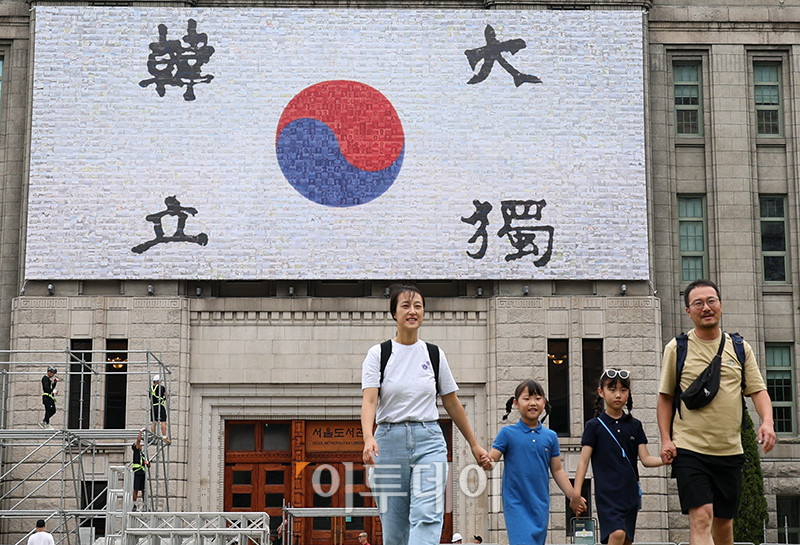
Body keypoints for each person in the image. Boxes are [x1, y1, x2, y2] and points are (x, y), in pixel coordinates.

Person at [361, 284, 491, 545]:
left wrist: (474, 444)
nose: (413, 311)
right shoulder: (379, 354)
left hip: (428, 439)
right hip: (388, 441)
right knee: (395, 527)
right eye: (406, 306)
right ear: (394, 314)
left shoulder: (433, 354)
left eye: (418, 306)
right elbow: (370, 400)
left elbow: (452, 402)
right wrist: (367, 437)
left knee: (427, 514)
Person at [657, 279, 777, 545]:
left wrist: (767, 422)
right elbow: (665, 398)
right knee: (701, 518)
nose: (706, 307)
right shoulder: (677, 348)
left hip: (730, 450)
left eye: (711, 301)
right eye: (698, 303)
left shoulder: (739, 348)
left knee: (724, 526)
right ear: (688, 312)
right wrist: (666, 438)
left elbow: (758, 391)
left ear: (720, 305)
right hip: (689, 449)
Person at [486, 379, 586, 545]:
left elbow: (558, 470)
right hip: (516, 503)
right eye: (527, 399)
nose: (533, 403)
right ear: (516, 403)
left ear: (544, 403)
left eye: (538, 398)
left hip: (540, 504)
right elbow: (492, 459)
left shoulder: (550, 436)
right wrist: (485, 460)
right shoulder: (507, 433)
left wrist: (573, 496)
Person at [571, 369, 664, 545]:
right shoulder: (594, 426)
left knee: (626, 540)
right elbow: (583, 462)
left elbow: (645, 459)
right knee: (618, 533)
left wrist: (665, 460)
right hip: (607, 496)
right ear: (601, 392)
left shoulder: (635, 425)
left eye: (623, 390)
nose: (618, 395)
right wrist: (576, 494)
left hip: (630, 496)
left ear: (628, 393)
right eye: (612, 389)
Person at [132, 428, 150, 511]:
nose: (141, 446)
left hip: (142, 473)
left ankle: (144, 505)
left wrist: (147, 463)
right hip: (137, 472)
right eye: (140, 445)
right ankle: (134, 505)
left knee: (143, 490)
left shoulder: (142, 455)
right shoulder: (136, 451)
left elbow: (148, 465)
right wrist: (141, 432)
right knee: (136, 489)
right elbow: (138, 441)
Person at [149, 374, 171, 443]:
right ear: (158, 381)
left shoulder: (151, 388)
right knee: (163, 421)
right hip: (160, 406)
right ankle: (164, 436)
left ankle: (152, 436)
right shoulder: (161, 387)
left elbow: (151, 397)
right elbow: (166, 396)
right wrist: (166, 397)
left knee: (154, 422)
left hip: (153, 407)